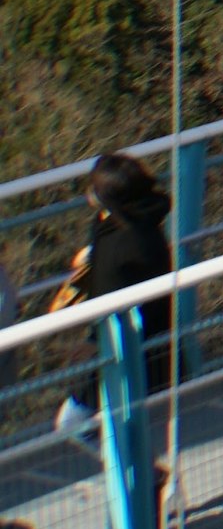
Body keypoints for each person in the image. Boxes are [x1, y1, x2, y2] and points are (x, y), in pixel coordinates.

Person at [46, 152, 178, 447]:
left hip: (125, 350)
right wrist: (91, 255)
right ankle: (145, 478)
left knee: (73, 422)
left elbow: (114, 303)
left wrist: (89, 345)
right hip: (131, 345)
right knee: (111, 425)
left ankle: (146, 478)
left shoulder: (125, 247)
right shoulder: (131, 224)